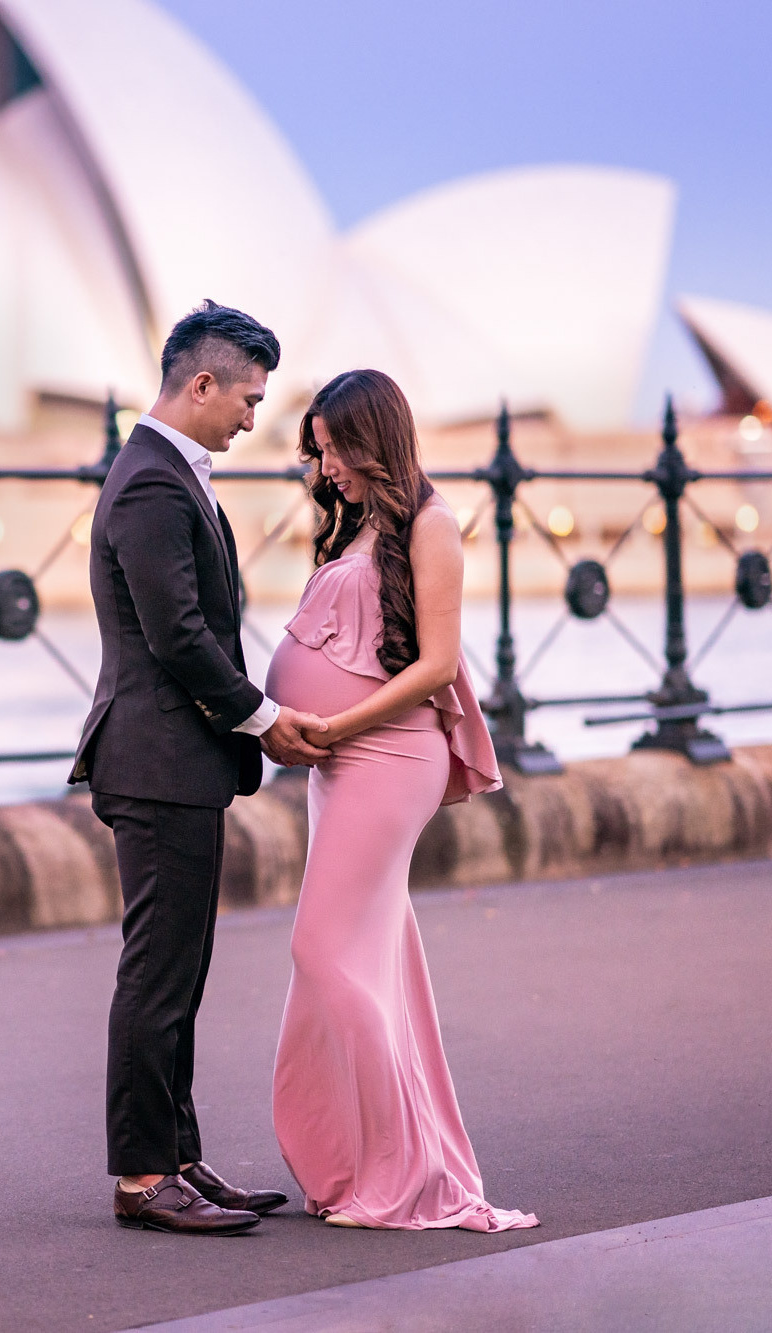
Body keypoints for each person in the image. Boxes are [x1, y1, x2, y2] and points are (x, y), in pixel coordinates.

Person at [70, 300, 330, 1235]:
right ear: (202, 382)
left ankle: (179, 1155)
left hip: (178, 760)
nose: (255, 418)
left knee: (182, 968)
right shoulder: (149, 483)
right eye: (248, 398)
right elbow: (176, 631)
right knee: (158, 970)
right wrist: (262, 720)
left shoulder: (174, 475)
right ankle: (143, 1178)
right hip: (155, 758)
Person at [267, 369, 539, 1232]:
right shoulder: (355, 526)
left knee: (323, 949)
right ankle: (358, 1164)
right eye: (316, 449)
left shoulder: (433, 524)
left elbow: (434, 665)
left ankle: (407, 1173)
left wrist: (337, 721)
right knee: (376, 958)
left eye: (335, 447)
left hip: (386, 756)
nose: (325, 465)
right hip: (339, 761)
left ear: (374, 437)